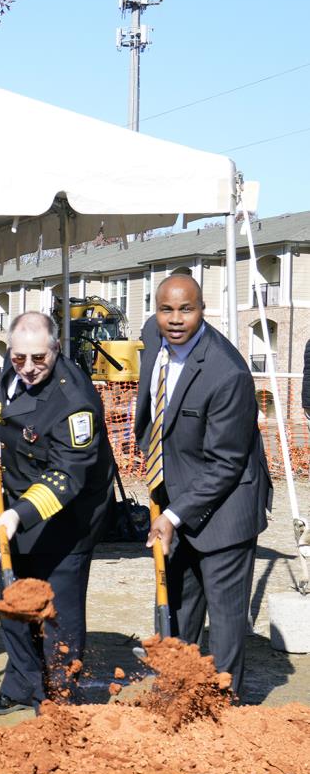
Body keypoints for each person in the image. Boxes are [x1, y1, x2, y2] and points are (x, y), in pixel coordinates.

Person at [136, 273, 271, 698]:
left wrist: (174, 516)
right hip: (177, 492)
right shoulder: (152, 338)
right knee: (178, 602)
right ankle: (178, 693)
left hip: (227, 504)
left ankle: (221, 706)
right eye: (166, 309)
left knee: (226, 620)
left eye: (186, 309)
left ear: (203, 309)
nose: (175, 320)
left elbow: (226, 463)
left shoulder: (226, 372)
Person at [0, 311, 114, 715]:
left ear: (56, 349)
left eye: (39, 359)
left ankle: (60, 698)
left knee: (57, 611)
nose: (29, 368)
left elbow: (67, 477)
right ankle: (21, 686)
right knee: (13, 599)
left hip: (67, 514)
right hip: (20, 500)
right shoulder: (15, 364)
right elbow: (3, 399)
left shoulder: (75, 403)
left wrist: (19, 514)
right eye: (20, 359)